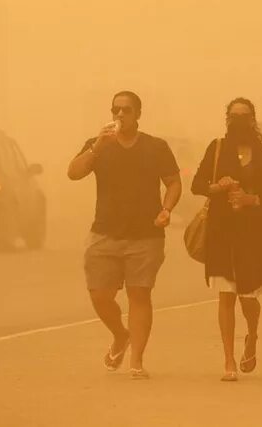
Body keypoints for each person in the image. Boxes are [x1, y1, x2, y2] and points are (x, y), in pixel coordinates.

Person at [67, 91, 181, 380]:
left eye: (126, 110)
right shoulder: (99, 144)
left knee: (139, 295)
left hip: (145, 235)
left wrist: (167, 209)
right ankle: (120, 334)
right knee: (100, 295)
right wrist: (97, 147)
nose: (120, 115)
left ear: (138, 115)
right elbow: (73, 173)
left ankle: (137, 361)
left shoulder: (155, 147)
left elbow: (173, 182)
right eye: (116, 109)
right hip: (104, 232)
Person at [191, 97, 262, 382]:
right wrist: (217, 186)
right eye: (233, 115)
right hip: (222, 232)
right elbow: (196, 185)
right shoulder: (217, 149)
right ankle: (228, 361)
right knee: (226, 295)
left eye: (244, 115)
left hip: (254, 233)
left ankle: (252, 336)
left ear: (252, 119)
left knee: (248, 297)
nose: (238, 120)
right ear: (227, 119)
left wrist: (252, 199)